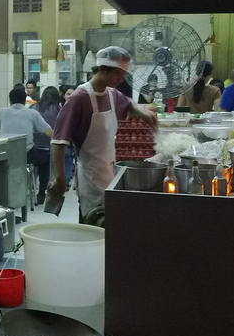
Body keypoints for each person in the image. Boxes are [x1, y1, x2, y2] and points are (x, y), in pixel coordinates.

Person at [49, 46, 158, 222]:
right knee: (93, 226)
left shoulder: (112, 94)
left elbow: (128, 104)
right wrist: (61, 179)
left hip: (109, 172)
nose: (120, 80)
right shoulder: (78, 99)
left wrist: (142, 111)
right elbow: (58, 142)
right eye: (117, 75)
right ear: (101, 69)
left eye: (122, 76)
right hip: (90, 177)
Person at [33, 86, 62, 203]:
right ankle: (42, 193)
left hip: (32, 145)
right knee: (45, 166)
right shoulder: (58, 109)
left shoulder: (33, 107)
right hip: (49, 144)